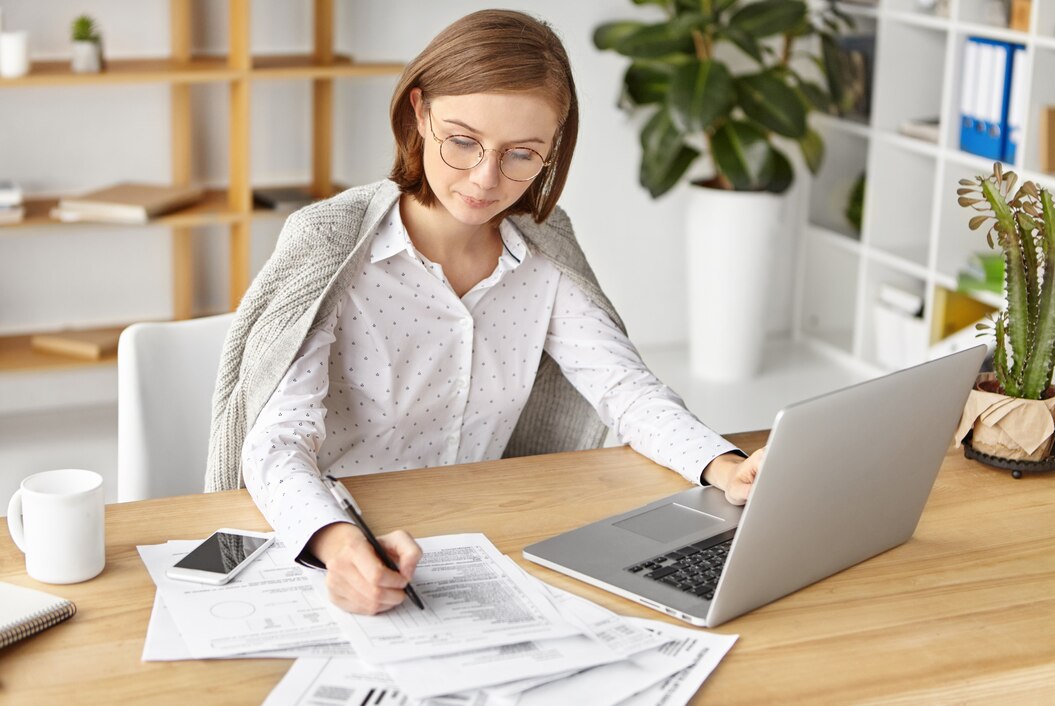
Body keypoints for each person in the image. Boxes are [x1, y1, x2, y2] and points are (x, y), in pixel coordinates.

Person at [206, 9, 764, 616]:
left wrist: (723, 465)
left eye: (522, 154)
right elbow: (277, 440)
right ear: (419, 112)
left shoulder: (546, 254)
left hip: (489, 542)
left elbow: (626, 391)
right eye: (463, 141)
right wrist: (338, 547)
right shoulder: (333, 250)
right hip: (344, 546)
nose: (485, 178)